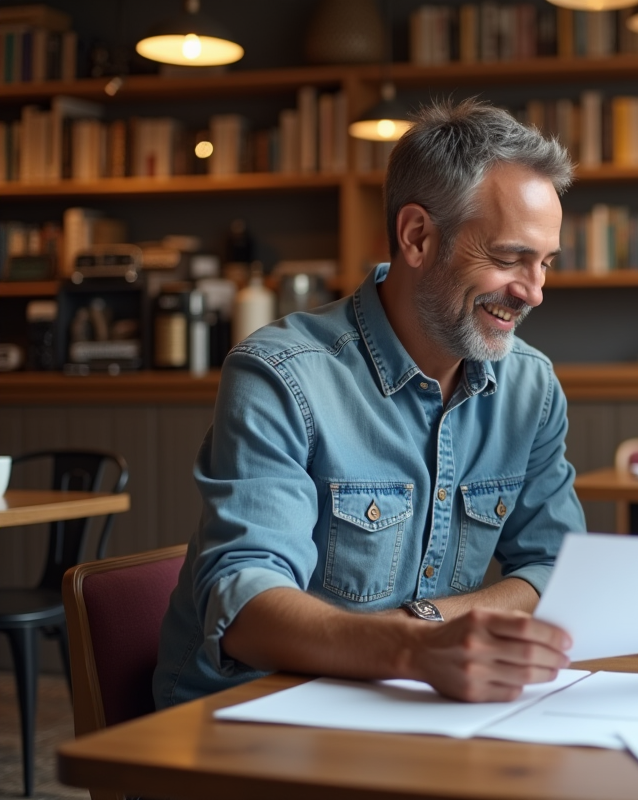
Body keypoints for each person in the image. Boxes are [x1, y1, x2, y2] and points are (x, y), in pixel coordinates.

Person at [154, 99, 583, 707]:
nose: (534, 293)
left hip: (409, 711)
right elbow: (246, 606)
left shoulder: (530, 388)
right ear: (417, 236)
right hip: (250, 716)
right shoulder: (280, 376)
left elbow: (559, 571)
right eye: (510, 258)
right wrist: (415, 650)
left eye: (544, 264)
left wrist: (427, 621)